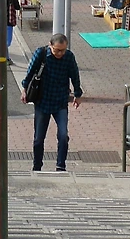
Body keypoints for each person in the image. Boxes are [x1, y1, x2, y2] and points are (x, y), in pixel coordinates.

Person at [21, 34, 83, 172]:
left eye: (63, 50)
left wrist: (77, 94)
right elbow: (30, 72)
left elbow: (75, 75)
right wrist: (24, 89)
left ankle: (61, 166)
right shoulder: (41, 54)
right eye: (57, 50)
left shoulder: (69, 57)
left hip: (60, 101)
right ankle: (37, 166)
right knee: (38, 138)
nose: (60, 53)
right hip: (42, 100)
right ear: (50, 45)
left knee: (63, 135)